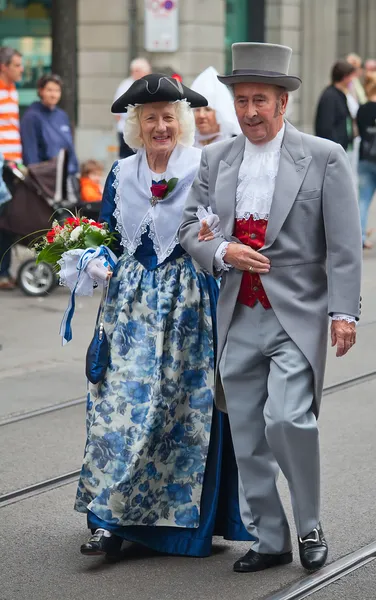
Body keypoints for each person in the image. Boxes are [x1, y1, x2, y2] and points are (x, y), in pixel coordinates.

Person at [180, 42, 362, 573]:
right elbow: (192, 227)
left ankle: (309, 525)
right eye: (242, 100)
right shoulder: (217, 158)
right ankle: (270, 535)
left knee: (288, 420)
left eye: (261, 100)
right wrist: (221, 249)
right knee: (247, 434)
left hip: (296, 314)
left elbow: (345, 246)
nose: (250, 111)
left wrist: (343, 313)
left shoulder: (325, 156)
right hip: (238, 314)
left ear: (284, 103)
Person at [62, 74, 252, 559]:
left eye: (169, 117)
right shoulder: (121, 172)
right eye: (151, 118)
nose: (161, 126)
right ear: (137, 125)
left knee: (177, 414)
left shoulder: (203, 165)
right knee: (116, 412)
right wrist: (93, 256)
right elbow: (106, 233)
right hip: (129, 307)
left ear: (181, 122)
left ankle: (176, 526)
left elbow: (219, 230)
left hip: (189, 306)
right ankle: (107, 521)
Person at [20, 74, 79, 176]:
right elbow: (30, 154)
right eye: (49, 90)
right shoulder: (31, 117)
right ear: (41, 91)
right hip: (46, 178)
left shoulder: (62, 116)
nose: (54, 95)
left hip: (67, 175)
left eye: (57, 91)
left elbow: (70, 148)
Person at [0, 46, 23, 290]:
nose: (21, 69)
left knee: (8, 221)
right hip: (2, 165)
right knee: (3, 221)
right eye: (17, 65)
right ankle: (3, 272)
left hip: (13, 165)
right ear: (3, 67)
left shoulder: (14, 91)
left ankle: (4, 271)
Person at [190, 66, 241, 148]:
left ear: (220, 113)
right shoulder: (186, 146)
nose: (201, 115)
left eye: (207, 109)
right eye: (197, 109)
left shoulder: (233, 145)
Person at [113, 57, 152, 159]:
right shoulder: (125, 85)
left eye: (138, 71)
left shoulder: (150, 84)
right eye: (134, 71)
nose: (135, 73)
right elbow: (116, 112)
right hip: (126, 130)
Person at [315, 60, 356, 150]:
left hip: (341, 148)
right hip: (332, 151)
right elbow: (325, 127)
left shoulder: (341, 95)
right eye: (351, 77)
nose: (352, 80)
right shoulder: (329, 96)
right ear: (345, 77)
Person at [356, 73, 376, 248]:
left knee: (363, 199)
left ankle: (360, 236)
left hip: (365, 158)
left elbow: (358, 132)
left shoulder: (362, 108)